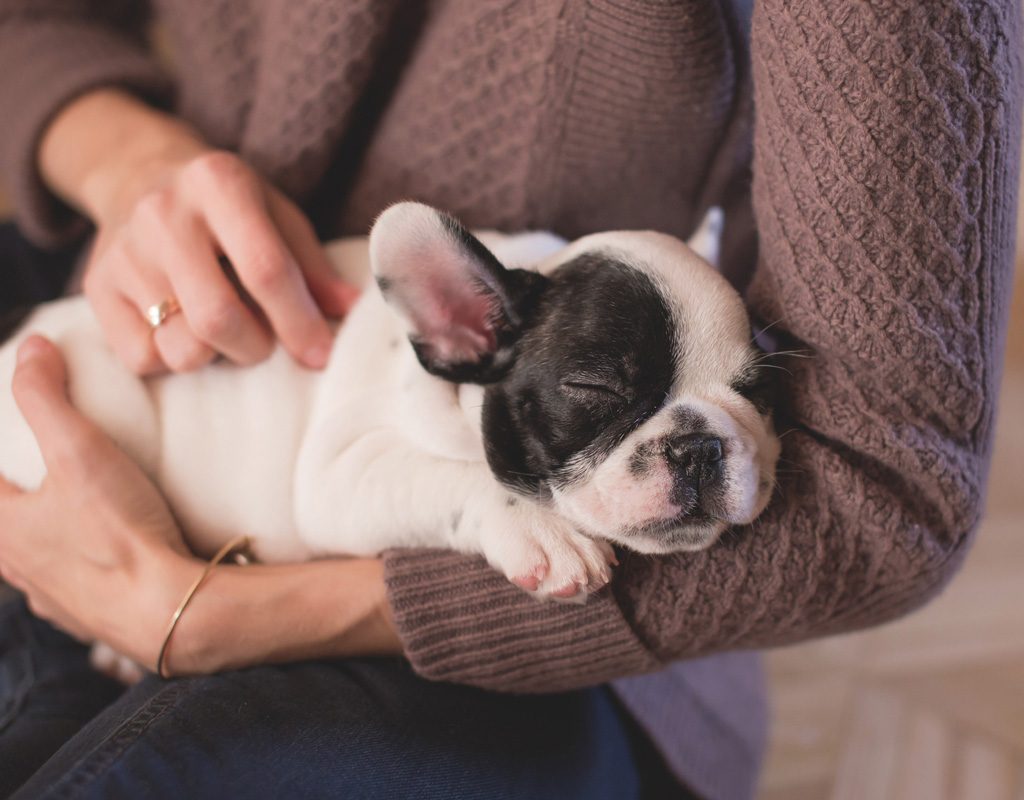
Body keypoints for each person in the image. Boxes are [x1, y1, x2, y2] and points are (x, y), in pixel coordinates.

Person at [0, 1, 1019, 798]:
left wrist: (205, 615)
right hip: (116, 389)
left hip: (499, 659)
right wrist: (130, 161)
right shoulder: (456, 339)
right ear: (456, 327)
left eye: (744, 395)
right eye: (601, 396)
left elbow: (888, 491)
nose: (700, 443)